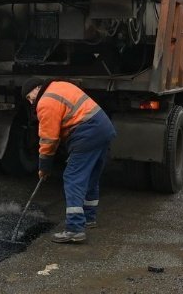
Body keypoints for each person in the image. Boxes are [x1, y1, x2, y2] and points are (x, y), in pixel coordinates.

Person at [22, 77, 116, 243]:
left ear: (37, 89)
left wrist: (44, 166)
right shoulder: (59, 86)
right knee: (91, 176)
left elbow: (49, 139)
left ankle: (74, 229)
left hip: (87, 132)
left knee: (73, 178)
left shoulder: (45, 102)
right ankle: (89, 218)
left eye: (30, 97)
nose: (31, 103)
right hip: (103, 128)